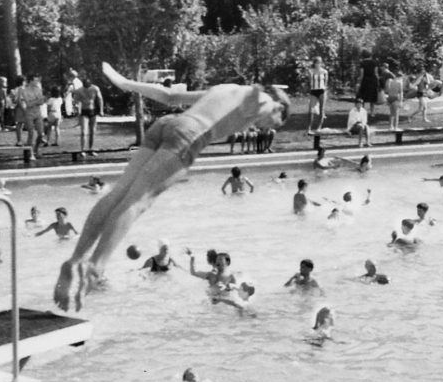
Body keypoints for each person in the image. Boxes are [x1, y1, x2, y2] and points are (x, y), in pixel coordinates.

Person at [53, 68, 290, 310]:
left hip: (166, 125)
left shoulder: (226, 89)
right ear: (279, 108)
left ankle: (75, 259)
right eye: (274, 124)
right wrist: (266, 100)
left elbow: (169, 97)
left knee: (118, 194)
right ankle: (95, 267)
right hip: (188, 137)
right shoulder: (266, 101)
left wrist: (126, 83)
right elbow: (261, 99)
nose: (265, 128)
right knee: (137, 202)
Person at [305, 55, 331, 133]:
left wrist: (325, 90)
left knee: (321, 109)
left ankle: (319, 127)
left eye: (319, 62)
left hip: (321, 91)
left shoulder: (325, 71)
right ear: (314, 63)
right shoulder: (310, 71)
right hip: (313, 91)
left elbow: (325, 83)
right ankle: (309, 128)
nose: (318, 64)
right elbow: (310, 81)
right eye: (316, 62)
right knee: (311, 110)